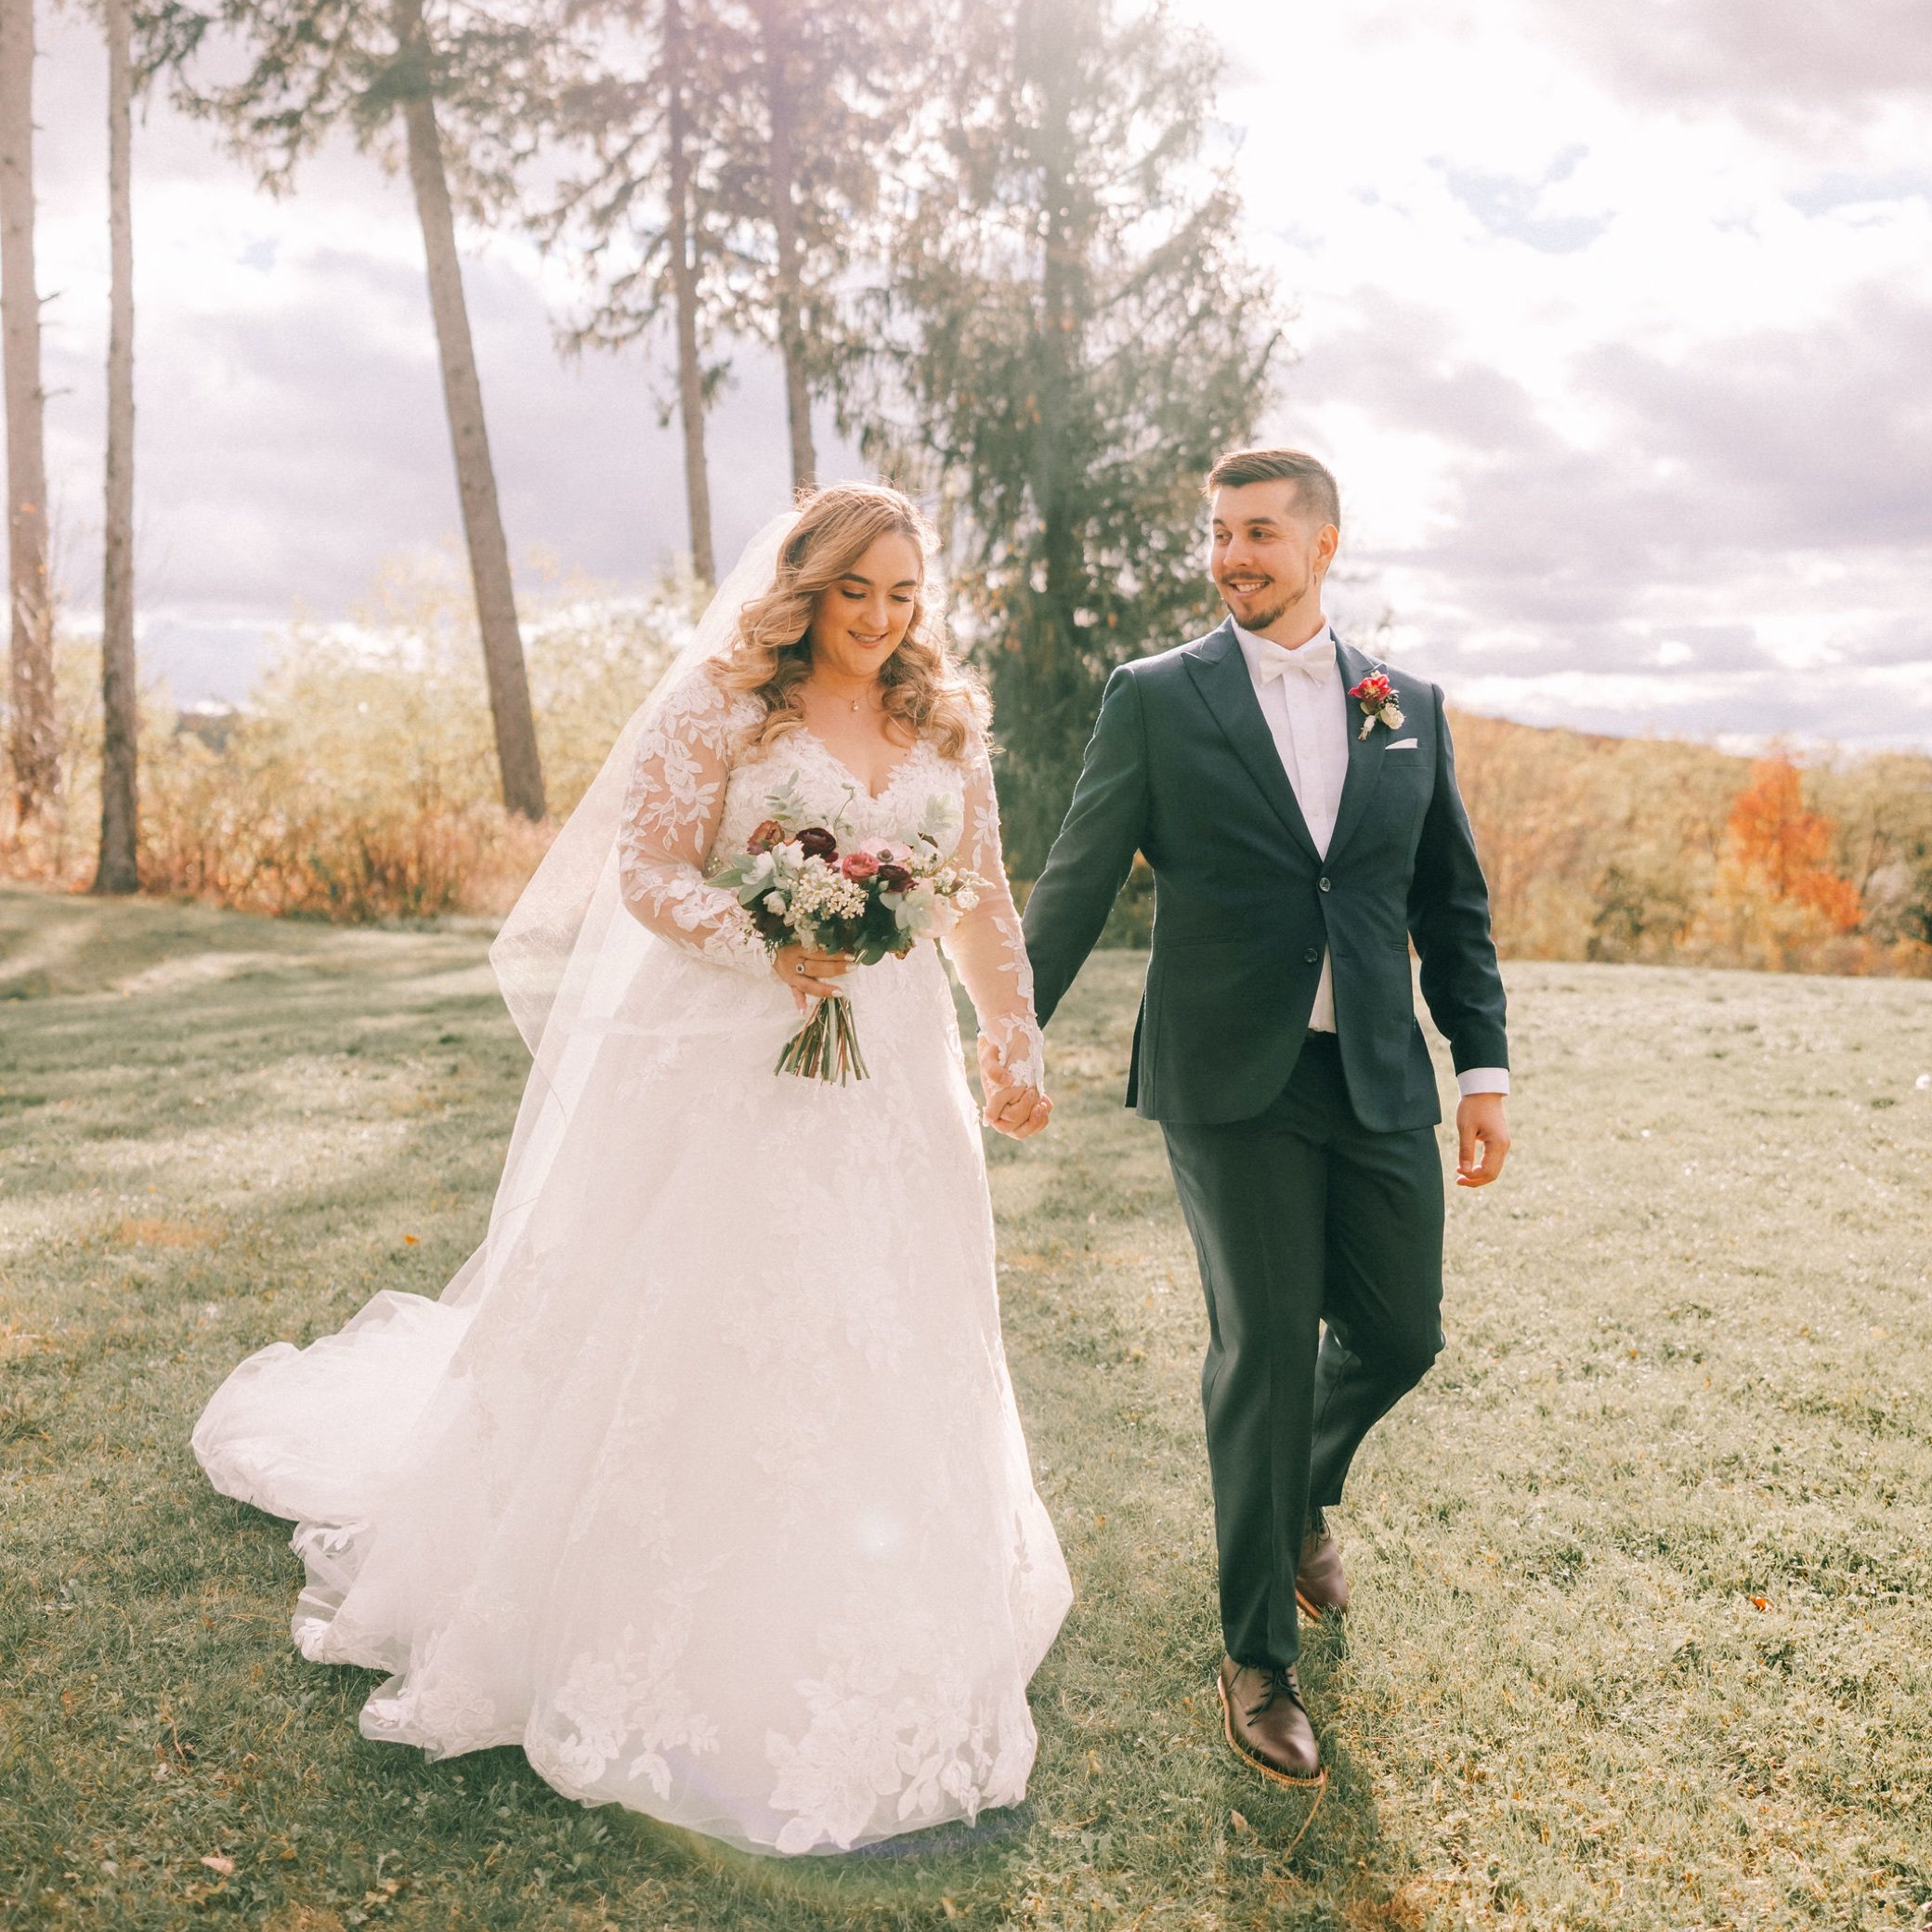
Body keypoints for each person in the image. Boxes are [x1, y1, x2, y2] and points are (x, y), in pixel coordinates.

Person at [193, 486, 1069, 1857]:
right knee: (708, 1314)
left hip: (894, 1079)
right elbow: (649, 866)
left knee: (893, 1318)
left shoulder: (945, 722)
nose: (881, 618)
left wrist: (1010, 1030)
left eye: (905, 594)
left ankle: (888, 1599)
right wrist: (764, 939)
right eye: (856, 592)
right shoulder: (724, 706)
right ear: (807, 588)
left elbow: (983, 896)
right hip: (733, 1061)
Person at [1021, 448, 1508, 1790]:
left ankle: (1295, 1497)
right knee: (1266, 1350)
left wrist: (1482, 1068)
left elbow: (1450, 903)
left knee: (1402, 1333)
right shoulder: (1156, 697)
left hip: (1377, 1077)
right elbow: (1076, 876)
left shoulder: (1406, 707)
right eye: (1219, 532)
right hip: (1228, 1076)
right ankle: (1257, 1662)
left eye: (1258, 533)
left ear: (1323, 545)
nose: (1232, 555)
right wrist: (1012, 1027)